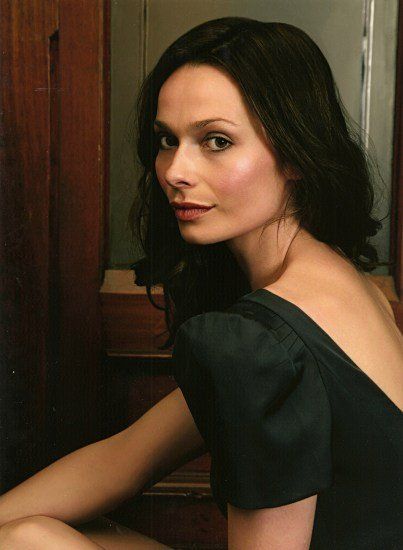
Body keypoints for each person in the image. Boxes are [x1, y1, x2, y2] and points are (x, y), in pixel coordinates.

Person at [0, 15, 402, 549]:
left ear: (296, 155)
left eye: (216, 141)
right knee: (27, 532)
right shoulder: (336, 281)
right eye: (168, 140)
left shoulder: (263, 339)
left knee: (28, 541)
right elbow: (125, 458)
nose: (174, 171)